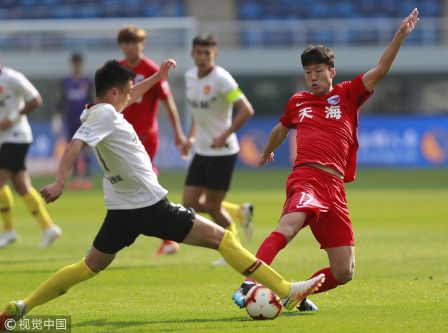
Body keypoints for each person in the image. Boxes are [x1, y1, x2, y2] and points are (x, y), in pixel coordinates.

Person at [0, 59, 325, 327]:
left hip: (121, 211)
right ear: (114, 92)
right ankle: (286, 289)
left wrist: (157, 76)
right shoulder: (105, 115)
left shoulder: (98, 110)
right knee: (224, 240)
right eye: (126, 92)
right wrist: (60, 181)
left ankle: (21, 307)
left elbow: (127, 98)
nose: (131, 96)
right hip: (150, 207)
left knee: (88, 266)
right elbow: (74, 146)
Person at [232, 9, 420, 311]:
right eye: (308, 72)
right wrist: (268, 150)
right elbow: (282, 128)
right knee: (290, 225)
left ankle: (294, 294)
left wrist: (400, 34)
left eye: (319, 70)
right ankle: (250, 282)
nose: (313, 77)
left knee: (345, 271)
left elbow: (381, 69)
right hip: (306, 177)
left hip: (334, 186)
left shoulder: (347, 94)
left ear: (331, 71)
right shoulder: (298, 101)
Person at [163, 33, 254, 265]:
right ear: (193, 53)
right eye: (199, 53)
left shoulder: (223, 79)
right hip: (202, 151)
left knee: (213, 206)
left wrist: (224, 134)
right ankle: (240, 214)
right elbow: (197, 113)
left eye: (207, 53)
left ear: (215, 54)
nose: (202, 57)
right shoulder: (190, 76)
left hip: (223, 152)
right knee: (189, 203)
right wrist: (191, 138)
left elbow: (246, 110)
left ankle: (233, 249)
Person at [117, 25, 186, 255]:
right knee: (131, 183)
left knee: (144, 180)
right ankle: (168, 235)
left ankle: (168, 236)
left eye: (134, 42)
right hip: (123, 136)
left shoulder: (151, 69)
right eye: (126, 42)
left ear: (142, 44)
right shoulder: (118, 69)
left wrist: (178, 132)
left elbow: (168, 102)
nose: (130, 46)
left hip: (146, 135)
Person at [0, 56, 62, 249]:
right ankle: (48, 227)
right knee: (22, 187)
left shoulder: (12, 78)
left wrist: (12, 117)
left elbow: (35, 99)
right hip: (5, 139)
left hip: (17, 136)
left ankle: (9, 230)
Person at [55, 52, 94, 190]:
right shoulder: (66, 82)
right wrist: (57, 117)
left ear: (81, 64)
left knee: (86, 149)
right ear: (72, 64)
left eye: (79, 63)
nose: (77, 65)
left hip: (85, 120)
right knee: (73, 148)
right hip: (71, 120)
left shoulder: (88, 81)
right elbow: (61, 101)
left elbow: (92, 100)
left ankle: (87, 176)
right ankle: (76, 177)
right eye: (75, 63)